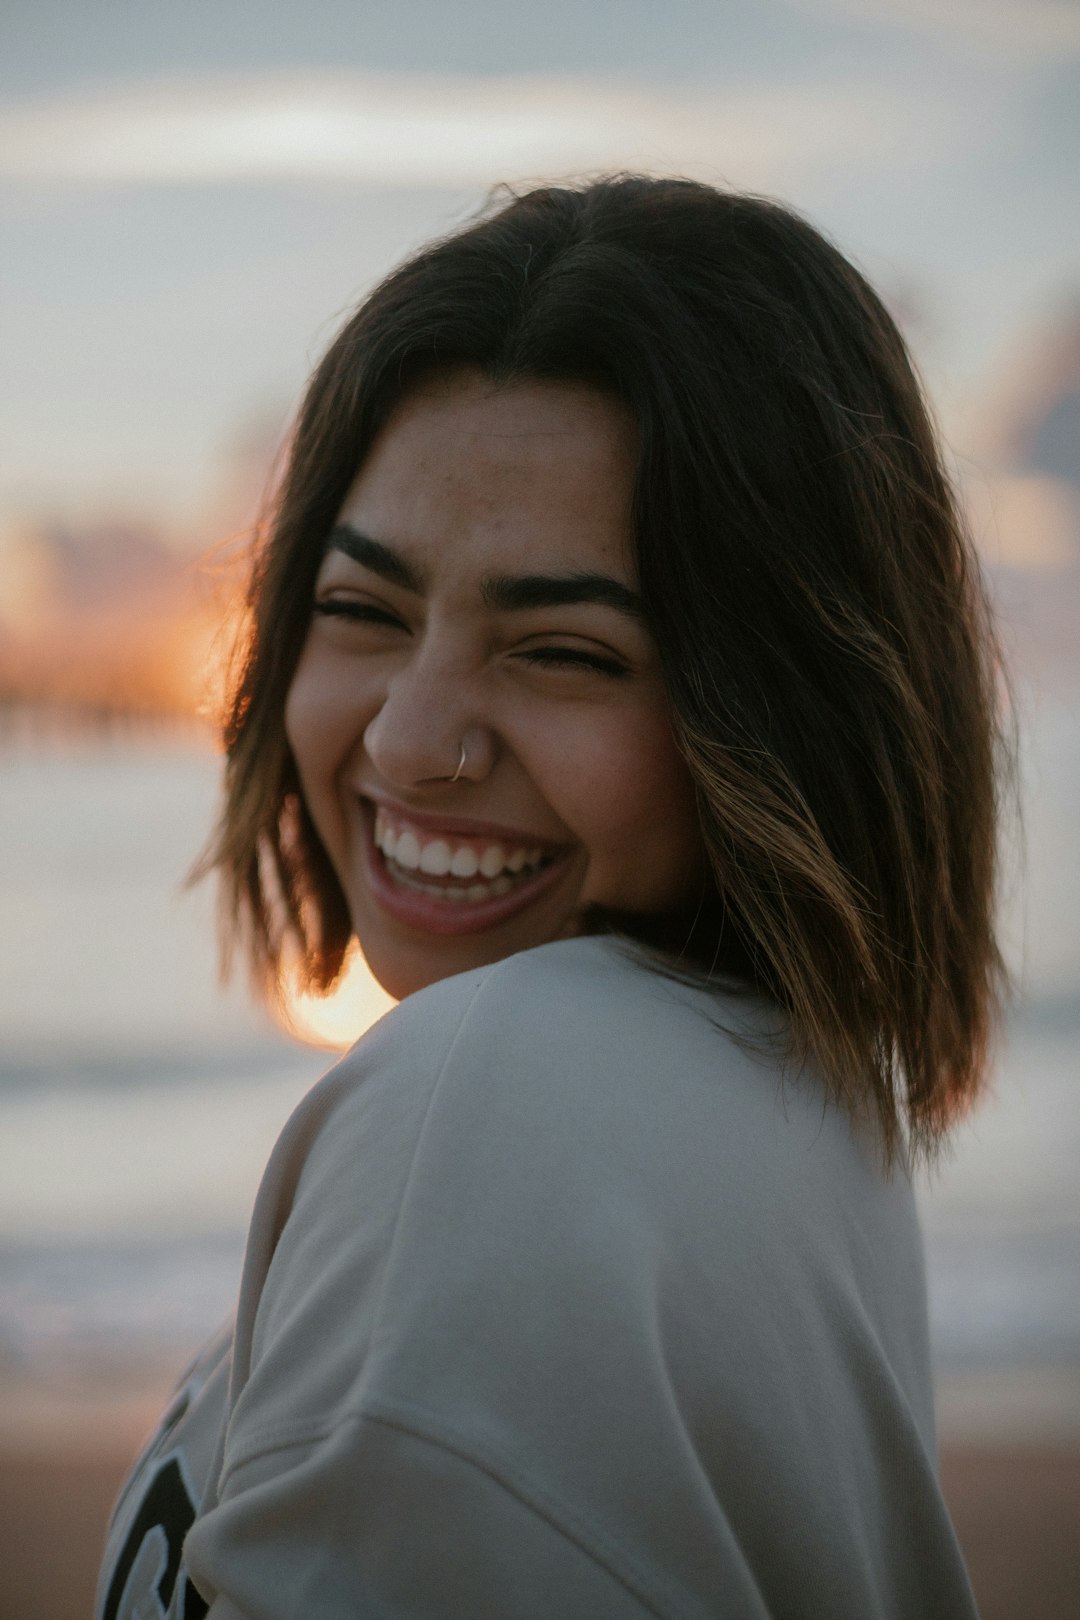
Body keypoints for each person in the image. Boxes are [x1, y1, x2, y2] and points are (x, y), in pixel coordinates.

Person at [96, 176, 1006, 1619]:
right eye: (362, 612)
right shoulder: (787, 1109)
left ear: (785, 713)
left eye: (565, 652)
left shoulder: (495, 1097)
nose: (407, 741)